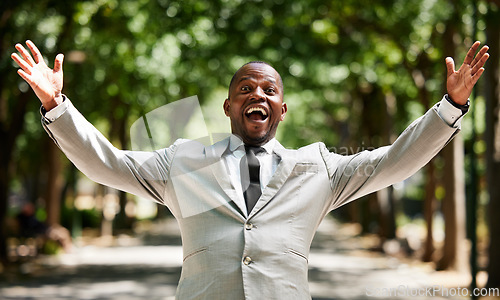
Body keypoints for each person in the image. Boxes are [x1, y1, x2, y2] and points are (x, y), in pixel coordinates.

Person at [11, 40, 489, 299]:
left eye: (269, 90)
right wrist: (58, 107)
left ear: (281, 111)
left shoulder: (319, 168)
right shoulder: (181, 161)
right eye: (245, 88)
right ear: (227, 106)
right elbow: (107, 163)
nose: (257, 94)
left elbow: (393, 161)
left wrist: (449, 106)